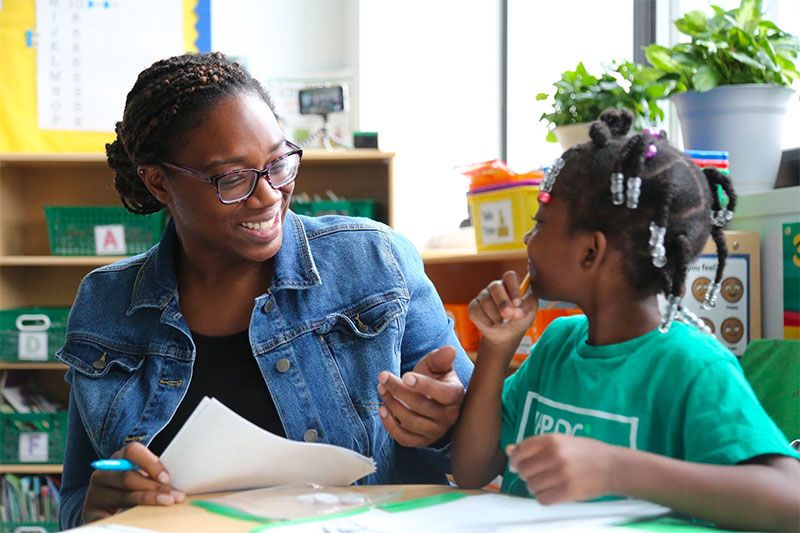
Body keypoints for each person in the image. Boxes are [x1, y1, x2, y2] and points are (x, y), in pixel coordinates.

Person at [56, 52, 473, 529]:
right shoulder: (105, 304)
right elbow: (76, 499)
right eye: (233, 178)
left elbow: (478, 453)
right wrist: (97, 505)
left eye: (278, 163)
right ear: (158, 182)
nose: (269, 194)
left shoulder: (374, 261)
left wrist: (444, 426)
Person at [451, 109, 800, 531]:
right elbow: (471, 472)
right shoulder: (557, 344)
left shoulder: (690, 365)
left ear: (590, 253)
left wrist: (617, 469)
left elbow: (790, 498)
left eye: (539, 223)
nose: (528, 239)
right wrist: (495, 347)